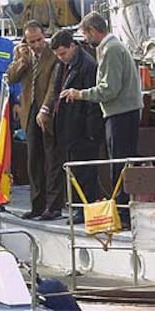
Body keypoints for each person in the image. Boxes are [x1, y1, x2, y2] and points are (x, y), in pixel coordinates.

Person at [60, 12, 143, 228]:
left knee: (120, 164)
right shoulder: (111, 48)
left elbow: (109, 89)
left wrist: (80, 94)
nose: (85, 40)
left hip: (120, 114)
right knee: (122, 163)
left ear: (93, 31)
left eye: (85, 35)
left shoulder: (111, 50)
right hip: (122, 112)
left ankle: (124, 215)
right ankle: (124, 211)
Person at [7, 20, 64, 221]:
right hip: (29, 110)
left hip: (47, 112)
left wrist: (46, 109)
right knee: (33, 160)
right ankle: (37, 205)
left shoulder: (53, 55)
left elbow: (53, 87)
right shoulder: (24, 54)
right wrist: (22, 60)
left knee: (51, 159)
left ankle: (54, 205)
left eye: (39, 40)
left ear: (44, 35)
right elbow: (10, 78)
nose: (36, 45)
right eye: (32, 42)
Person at [50, 30, 104, 224]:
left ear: (73, 46)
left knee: (85, 171)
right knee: (75, 170)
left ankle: (85, 209)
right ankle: (79, 207)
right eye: (58, 55)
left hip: (82, 127)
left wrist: (91, 132)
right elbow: (57, 91)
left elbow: (92, 102)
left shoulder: (87, 65)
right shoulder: (64, 64)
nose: (61, 58)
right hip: (68, 126)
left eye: (63, 53)